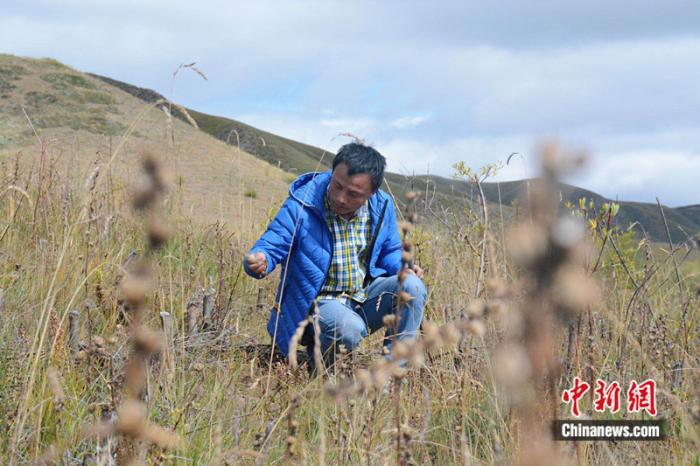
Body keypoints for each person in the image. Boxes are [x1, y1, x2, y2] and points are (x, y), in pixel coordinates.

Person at [243, 142, 426, 369]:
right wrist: (260, 260)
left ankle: (392, 375)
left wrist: (404, 267)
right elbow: (273, 242)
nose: (340, 198)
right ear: (332, 173)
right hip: (317, 307)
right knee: (348, 326)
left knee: (412, 286)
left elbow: (390, 251)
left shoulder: (381, 206)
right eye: (337, 185)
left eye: (353, 194)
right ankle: (324, 375)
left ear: (371, 193)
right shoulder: (303, 202)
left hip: (362, 298)